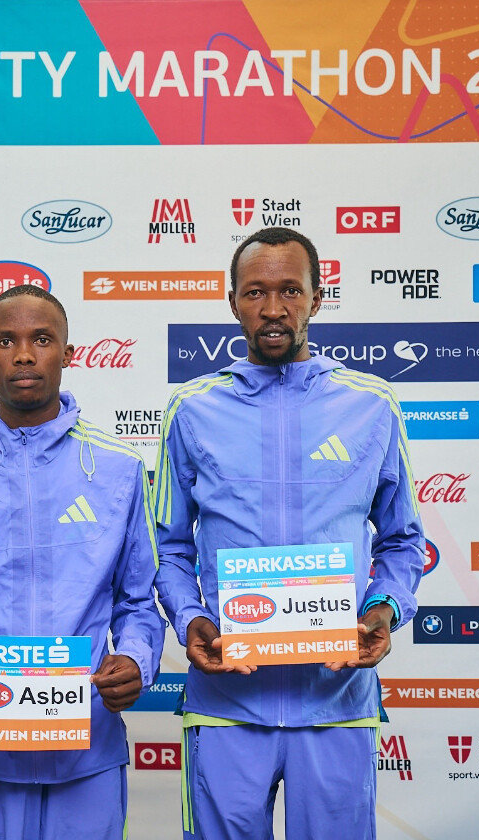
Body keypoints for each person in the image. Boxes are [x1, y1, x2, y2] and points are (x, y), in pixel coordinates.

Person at [153, 227, 424, 839]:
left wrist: (382, 611)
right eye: (255, 292)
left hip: (336, 700)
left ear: (317, 298)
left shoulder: (371, 405)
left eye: (290, 291)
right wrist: (191, 618)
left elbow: (403, 540)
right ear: (232, 302)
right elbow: (167, 546)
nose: (272, 309)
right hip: (226, 704)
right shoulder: (192, 408)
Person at [0, 284, 164, 840]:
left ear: (68, 352)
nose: (24, 355)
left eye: (41, 340)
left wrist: (137, 659)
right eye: (6, 341)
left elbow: (139, 601)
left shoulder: (118, 467)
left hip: (87, 746)